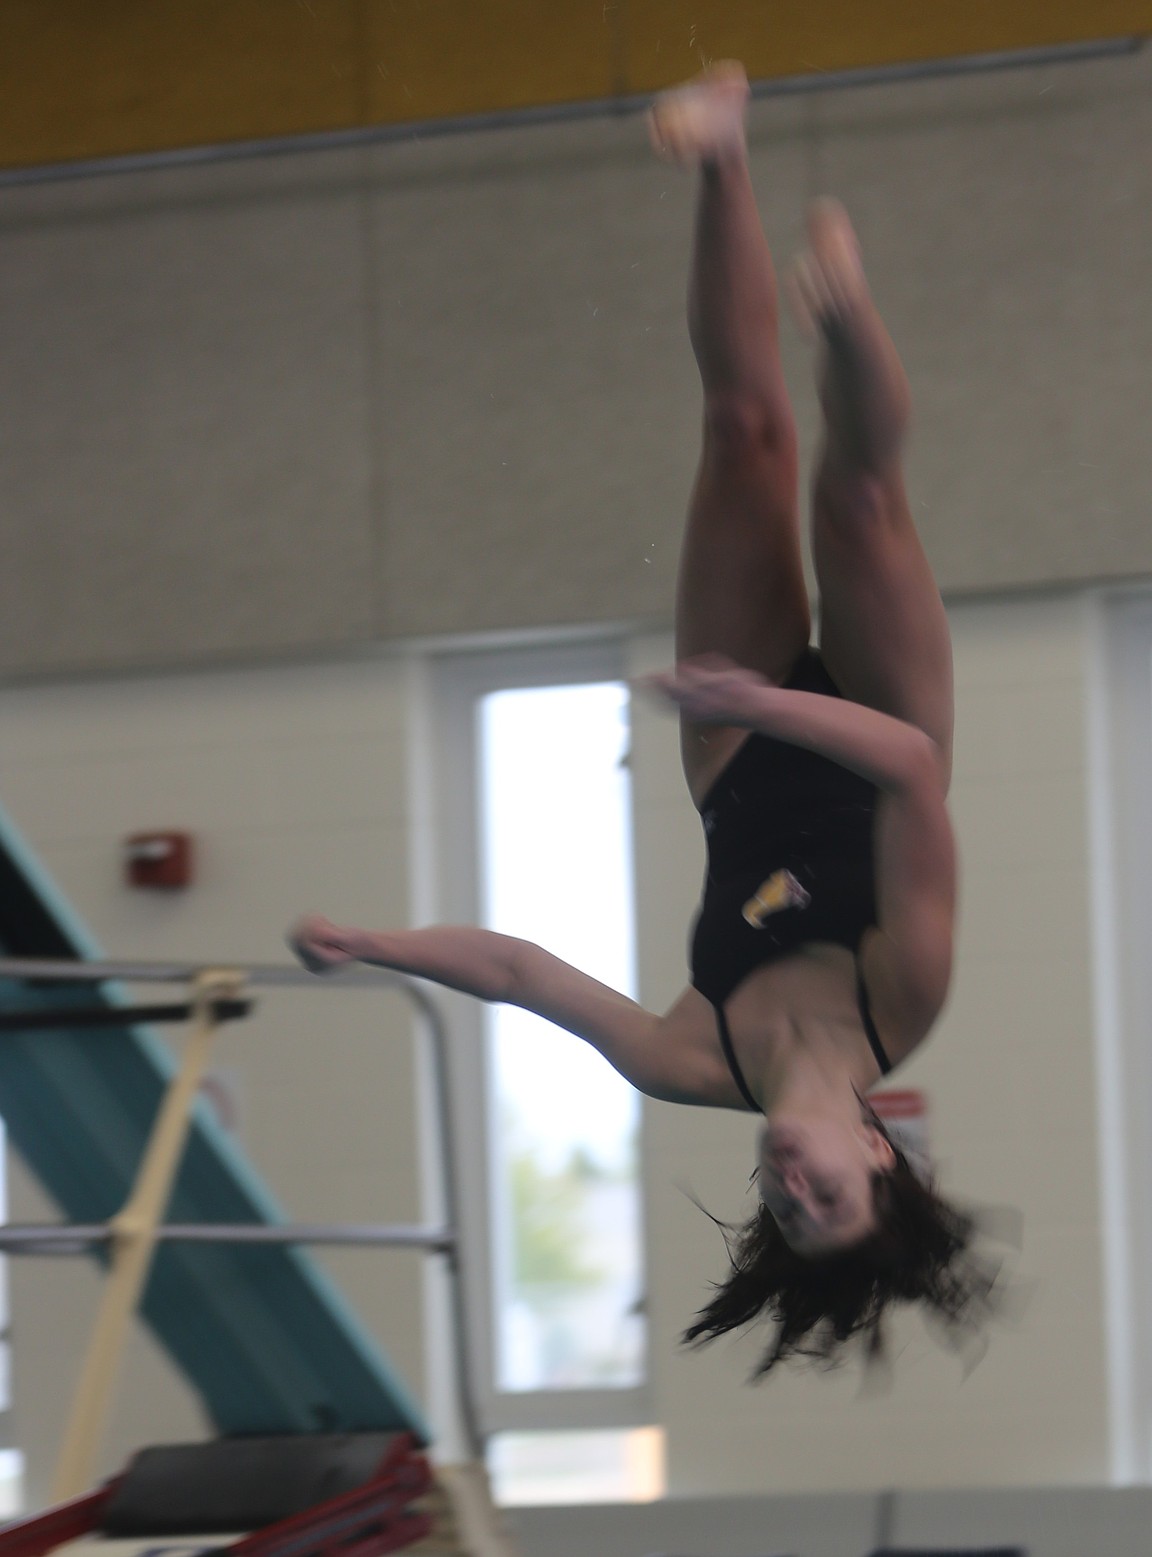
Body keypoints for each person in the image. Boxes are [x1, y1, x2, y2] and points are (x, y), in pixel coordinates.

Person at [289, 63, 993, 1373]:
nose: (792, 1184)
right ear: (877, 1154)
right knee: (856, 501)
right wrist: (770, 698)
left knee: (740, 431)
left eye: (782, 1208)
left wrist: (372, 938)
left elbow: (515, 973)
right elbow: (907, 773)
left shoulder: (686, 1055)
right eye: (826, 1196)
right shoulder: (909, 994)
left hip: (733, 756)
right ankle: (845, 319)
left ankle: (719, 152)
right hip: (878, 722)